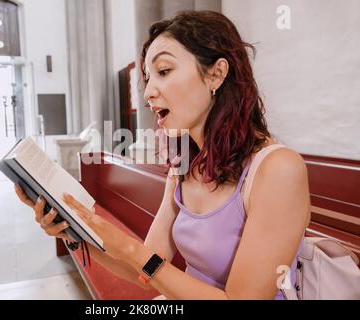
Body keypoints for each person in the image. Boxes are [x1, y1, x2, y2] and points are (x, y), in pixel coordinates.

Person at [15, 10, 310, 300]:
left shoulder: (278, 169)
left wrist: (129, 248)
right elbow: (144, 274)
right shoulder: (184, 164)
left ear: (216, 74)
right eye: (147, 77)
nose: (148, 93)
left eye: (164, 71)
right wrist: (72, 231)